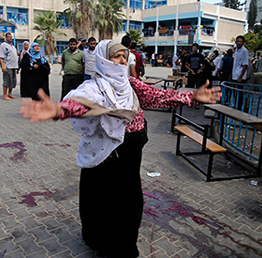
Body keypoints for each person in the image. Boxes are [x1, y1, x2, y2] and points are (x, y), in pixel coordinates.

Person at [19, 39, 222, 258]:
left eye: (124, 56)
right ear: (103, 60)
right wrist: (59, 110)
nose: (122, 60)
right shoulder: (94, 87)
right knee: (102, 202)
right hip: (106, 157)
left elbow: (158, 96)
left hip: (131, 155)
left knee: (128, 202)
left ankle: (124, 246)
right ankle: (102, 242)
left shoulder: (130, 84)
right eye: (116, 56)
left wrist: (190, 96)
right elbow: (81, 103)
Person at [0, 32, 19, 100]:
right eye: (8, 37)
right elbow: (1, 56)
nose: (10, 38)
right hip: (7, 66)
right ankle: (4, 95)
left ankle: (10, 94)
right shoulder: (3, 45)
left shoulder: (12, 46)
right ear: (6, 38)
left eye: (11, 36)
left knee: (12, 81)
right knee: (7, 81)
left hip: (14, 66)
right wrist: (3, 66)